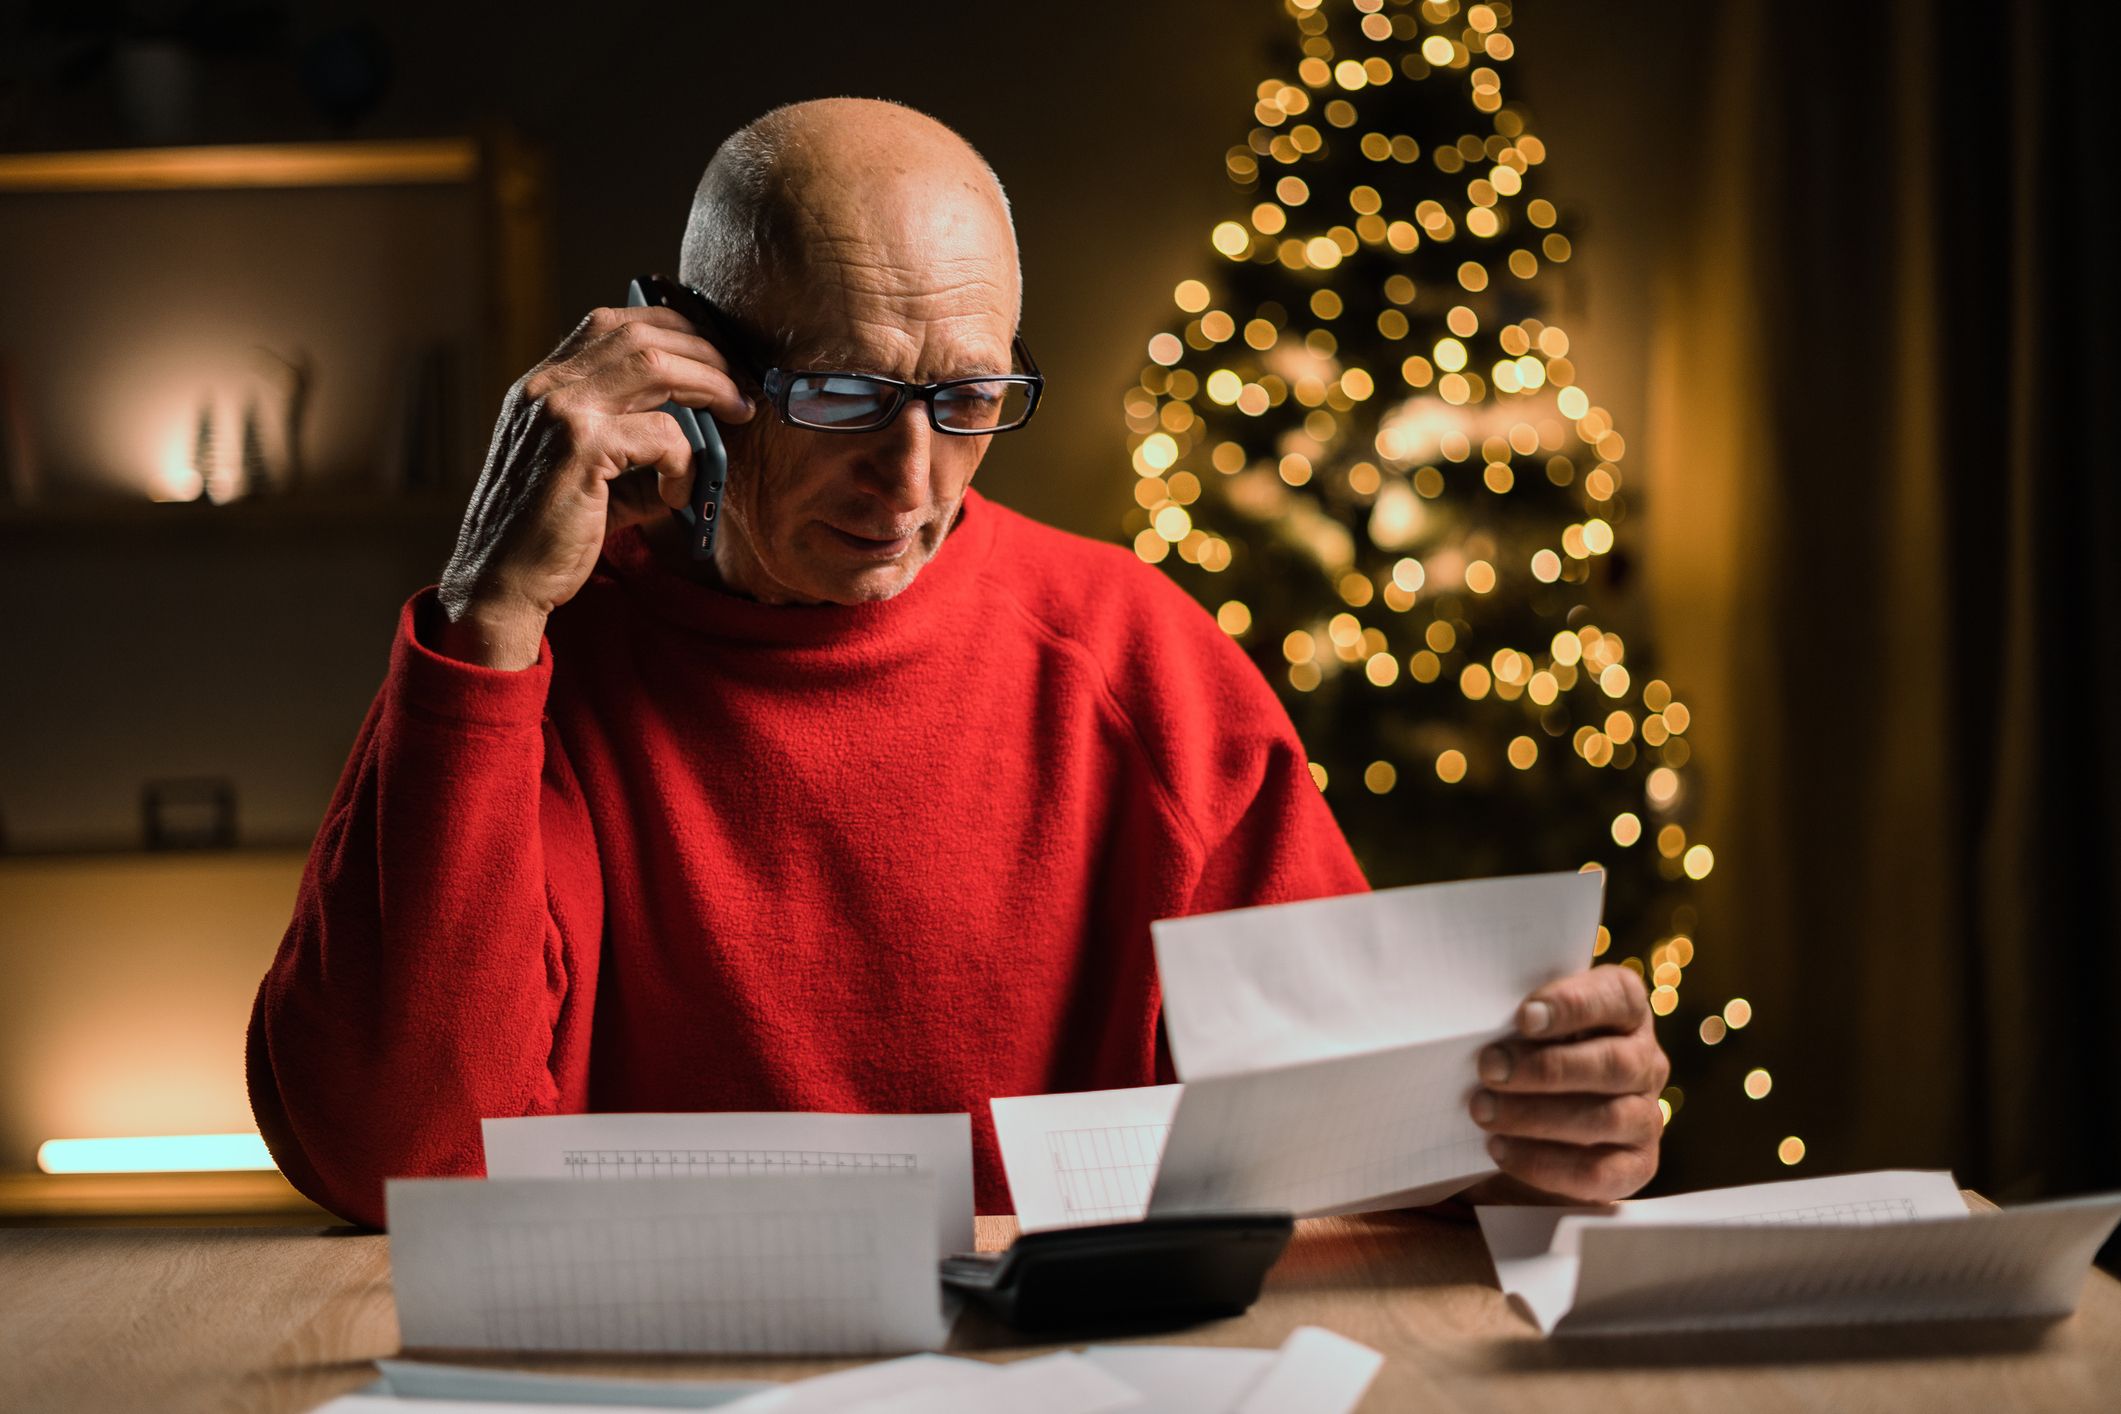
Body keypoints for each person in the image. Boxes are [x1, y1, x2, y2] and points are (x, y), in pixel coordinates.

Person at [247, 97, 1670, 1229]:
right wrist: (487, 625)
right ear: (687, 366)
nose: (910, 478)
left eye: (970, 396)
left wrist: (1524, 1129)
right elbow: (399, 1160)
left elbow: (1340, 1130)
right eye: (845, 392)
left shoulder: (1139, 661)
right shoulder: (535, 663)